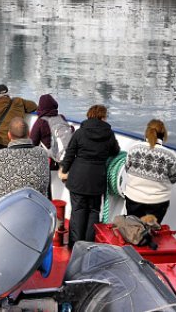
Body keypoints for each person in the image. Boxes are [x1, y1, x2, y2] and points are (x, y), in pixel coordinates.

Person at [59, 104, 120, 247]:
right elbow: (115, 151)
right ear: (102, 117)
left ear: (89, 115)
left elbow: (70, 153)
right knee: (94, 211)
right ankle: (89, 246)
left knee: (78, 211)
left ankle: (74, 246)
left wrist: (64, 170)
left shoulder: (80, 132)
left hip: (78, 178)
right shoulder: (109, 134)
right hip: (97, 179)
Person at [0, 117, 50, 205]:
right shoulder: (42, 153)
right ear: (28, 133)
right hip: (36, 204)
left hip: (4, 206)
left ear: (9, 135)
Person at [123, 119, 176, 223]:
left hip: (133, 198)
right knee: (151, 231)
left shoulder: (133, 149)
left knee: (133, 229)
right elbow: (174, 178)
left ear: (147, 132)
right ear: (164, 134)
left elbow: (127, 168)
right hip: (157, 202)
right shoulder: (170, 155)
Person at [29, 94, 72, 197]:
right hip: (63, 161)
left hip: (49, 162)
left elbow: (32, 143)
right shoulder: (61, 118)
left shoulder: (40, 122)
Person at [0, 84, 37, 155]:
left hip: (0, 144)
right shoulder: (19, 101)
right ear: (8, 93)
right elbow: (34, 106)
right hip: (17, 144)